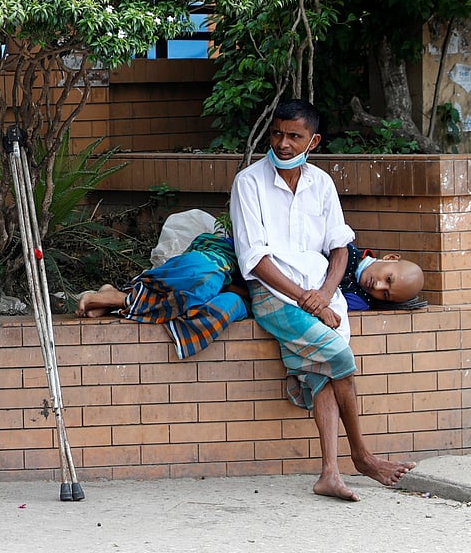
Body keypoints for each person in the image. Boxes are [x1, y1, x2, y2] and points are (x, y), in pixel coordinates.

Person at [229, 99, 416, 501]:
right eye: (277, 133)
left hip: (321, 292)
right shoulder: (249, 183)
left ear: (312, 140)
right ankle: (362, 456)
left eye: (294, 136)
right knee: (340, 359)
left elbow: (340, 247)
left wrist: (326, 294)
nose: (282, 143)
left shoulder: (322, 183)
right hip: (276, 294)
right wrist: (308, 300)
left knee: (322, 373)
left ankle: (329, 473)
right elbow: (254, 259)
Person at [75, 232, 248, 359]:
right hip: (207, 268)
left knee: (225, 304)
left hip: (232, 291)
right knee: (205, 277)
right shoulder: (223, 247)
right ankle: (121, 299)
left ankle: (119, 300)